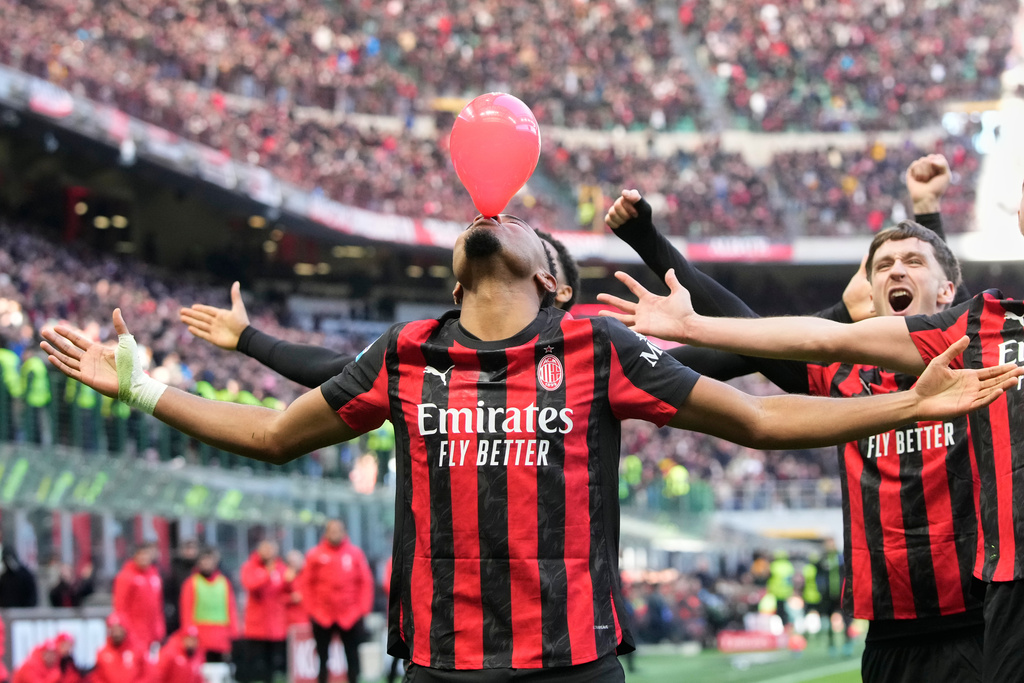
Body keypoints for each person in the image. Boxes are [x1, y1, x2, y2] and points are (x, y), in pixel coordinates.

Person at [40, 213, 1022, 682]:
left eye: (523, 226)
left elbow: (758, 417)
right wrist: (141, 384)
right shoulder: (406, 353)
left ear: (551, 278)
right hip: (433, 666)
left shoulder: (595, 344)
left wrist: (903, 406)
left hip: (573, 664)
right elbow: (264, 433)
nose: (496, 217)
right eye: (487, 219)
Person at [596, 177, 1024, 683]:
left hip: (978, 617)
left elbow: (979, 326)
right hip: (887, 631)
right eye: (881, 266)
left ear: (950, 291)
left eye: (911, 262)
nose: (894, 271)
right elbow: (747, 329)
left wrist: (928, 216)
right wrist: (650, 242)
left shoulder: (977, 364)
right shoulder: (841, 376)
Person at [178, 231, 581, 390]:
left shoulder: (591, 356)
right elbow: (335, 370)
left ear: (555, 288)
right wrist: (249, 338)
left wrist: (646, 245)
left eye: (538, 252)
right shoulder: (423, 356)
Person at [303, 520, 373, 683]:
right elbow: (306, 584)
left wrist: (362, 610)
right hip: (322, 615)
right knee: (322, 656)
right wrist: (311, 610)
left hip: (350, 615)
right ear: (326, 533)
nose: (335, 533)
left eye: (338, 530)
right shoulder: (315, 555)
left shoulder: (355, 554)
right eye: (331, 530)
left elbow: (365, 582)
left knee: (352, 655)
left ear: (344, 532)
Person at [240, 540, 290, 682]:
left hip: (276, 625)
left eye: (271, 549)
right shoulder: (250, 567)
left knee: (273, 663)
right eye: (265, 549)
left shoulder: (281, 568)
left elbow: (284, 592)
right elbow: (251, 586)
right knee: (256, 664)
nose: (268, 552)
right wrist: (267, 574)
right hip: (256, 626)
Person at [180, 547, 237, 663]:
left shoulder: (224, 582)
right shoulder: (191, 583)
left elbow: (231, 607)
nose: (207, 564)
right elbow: (186, 609)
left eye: (209, 560)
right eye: (204, 561)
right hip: (200, 634)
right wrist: (189, 632)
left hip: (221, 634)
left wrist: (234, 632)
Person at [112, 543, 165, 656]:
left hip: (152, 633)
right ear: (135, 557)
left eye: (147, 555)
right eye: (141, 555)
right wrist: (126, 631)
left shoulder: (154, 575)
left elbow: (158, 606)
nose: (144, 558)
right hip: (134, 632)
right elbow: (120, 607)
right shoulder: (126, 577)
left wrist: (159, 628)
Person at [91, 613, 148, 683]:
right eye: (113, 629)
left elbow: (147, 674)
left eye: (118, 629)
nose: (116, 633)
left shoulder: (139, 650)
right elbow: (97, 677)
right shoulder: (102, 653)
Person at [165, 539, 200, 634]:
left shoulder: (201, 570)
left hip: (199, 614)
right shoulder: (175, 570)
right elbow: (169, 592)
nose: (190, 552)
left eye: (192, 549)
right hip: (179, 613)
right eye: (188, 549)